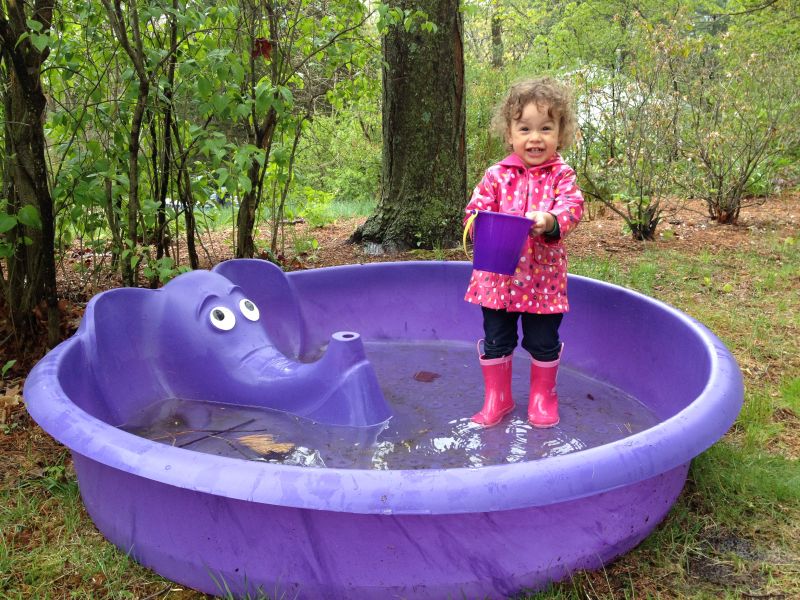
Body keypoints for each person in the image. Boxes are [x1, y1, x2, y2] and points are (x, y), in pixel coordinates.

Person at [464, 77, 584, 428]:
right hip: (496, 279)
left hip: (542, 280)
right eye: (525, 128)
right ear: (510, 134)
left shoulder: (562, 176)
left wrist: (548, 220)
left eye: (546, 128)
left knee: (543, 340)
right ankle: (497, 398)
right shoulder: (495, 176)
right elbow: (474, 211)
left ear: (560, 134)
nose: (535, 138)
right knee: (496, 339)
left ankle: (543, 398)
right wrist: (478, 221)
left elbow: (572, 207)